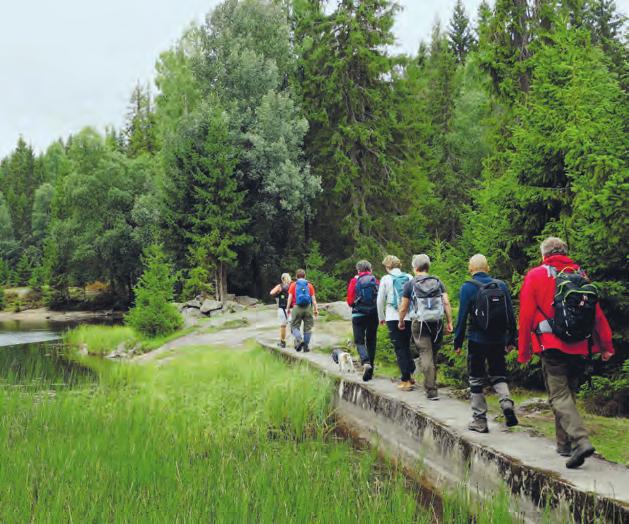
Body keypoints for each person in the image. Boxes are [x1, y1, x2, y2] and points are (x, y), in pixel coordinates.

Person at [518, 237, 614, 469]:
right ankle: (564, 445)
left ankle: (580, 441)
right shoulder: (580, 274)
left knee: (558, 395)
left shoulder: (536, 275)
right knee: (567, 393)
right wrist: (606, 345)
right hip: (580, 345)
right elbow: (596, 313)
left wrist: (524, 351)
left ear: (544, 255)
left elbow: (526, 316)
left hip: (551, 344)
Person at [454, 254, 518, 433]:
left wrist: (458, 342)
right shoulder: (501, 285)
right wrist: (511, 339)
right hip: (498, 340)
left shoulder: (467, 287)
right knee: (499, 374)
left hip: (476, 340)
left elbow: (462, 318)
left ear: (470, 268)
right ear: (488, 268)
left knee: (476, 378)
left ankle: (480, 420)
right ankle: (506, 403)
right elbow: (510, 316)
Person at [398, 254, 453, 400]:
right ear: (428, 266)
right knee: (433, 354)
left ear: (415, 268)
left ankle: (431, 390)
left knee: (425, 353)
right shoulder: (437, 281)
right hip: (437, 322)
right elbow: (446, 302)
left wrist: (401, 320)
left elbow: (404, 306)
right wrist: (449, 321)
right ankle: (431, 384)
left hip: (420, 323)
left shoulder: (410, 284)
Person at [377, 255, 415, 391]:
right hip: (408, 316)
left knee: (399, 348)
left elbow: (380, 300)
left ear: (388, 267)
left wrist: (381, 317)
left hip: (393, 316)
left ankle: (405, 380)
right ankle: (410, 374)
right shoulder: (410, 277)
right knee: (406, 345)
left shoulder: (386, 279)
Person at [347, 260, 379, 381]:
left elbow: (350, 301)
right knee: (371, 340)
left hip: (358, 315)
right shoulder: (375, 280)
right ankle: (371, 370)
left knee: (359, 340)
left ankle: (365, 362)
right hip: (373, 314)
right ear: (370, 269)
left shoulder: (354, 281)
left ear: (358, 270)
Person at [286, 269, 318, 352]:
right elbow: (313, 300)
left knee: (294, 326)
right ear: (305, 276)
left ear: (296, 277)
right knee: (308, 328)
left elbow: (289, 298)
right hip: (308, 307)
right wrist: (315, 310)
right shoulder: (309, 285)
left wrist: (288, 308)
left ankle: (299, 339)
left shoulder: (293, 285)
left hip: (297, 307)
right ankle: (306, 347)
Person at [269, 273, 292, 348]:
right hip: (292, 308)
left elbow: (271, 292)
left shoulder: (280, 286)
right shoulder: (293, 285)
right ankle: (297, 341)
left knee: (283, 326)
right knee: (294, 325)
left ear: (282, 279)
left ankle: (283, 342)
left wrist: (278, 292)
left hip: (283, 308)